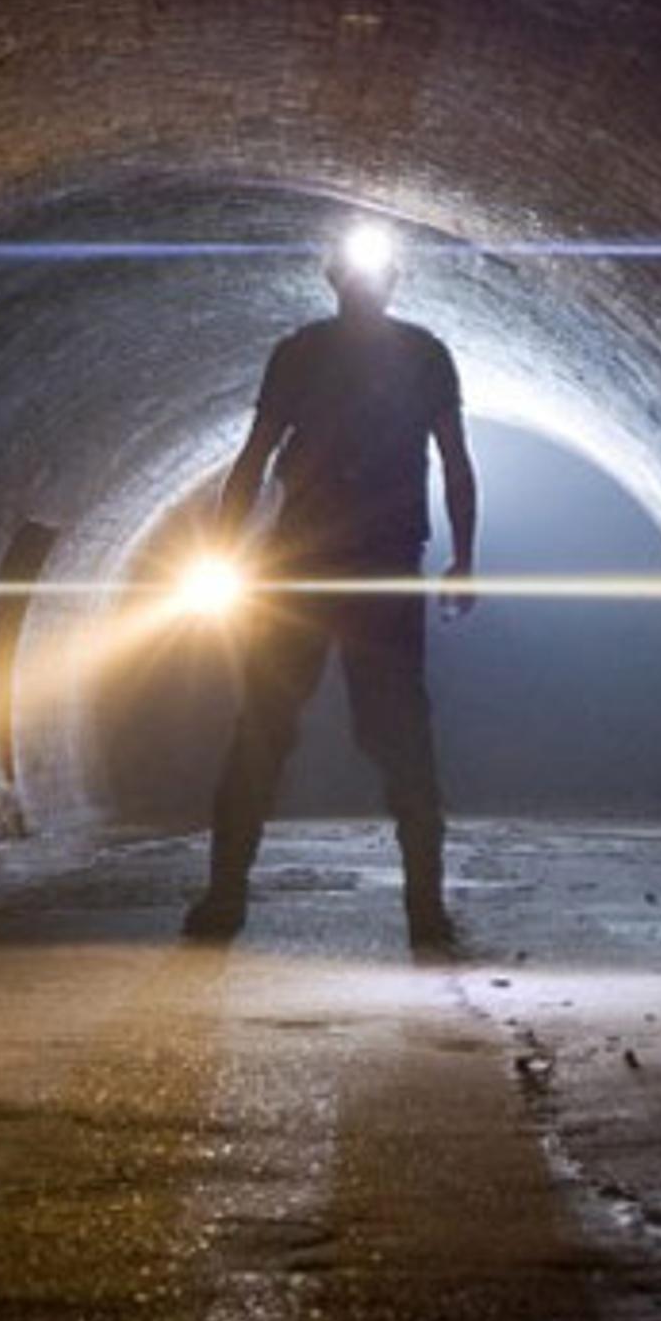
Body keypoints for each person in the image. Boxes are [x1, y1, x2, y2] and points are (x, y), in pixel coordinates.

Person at [181, 223, 477, 952]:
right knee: (299, 726)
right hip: (330, 567)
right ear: (345, 280)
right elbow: (255, 458)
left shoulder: (387, 354)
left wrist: (466, 555)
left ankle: (412, 907)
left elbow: (454, 461)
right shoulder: (341, 353)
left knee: (343, 729)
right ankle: (419, 912)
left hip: (339, 566)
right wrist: (223, 549)